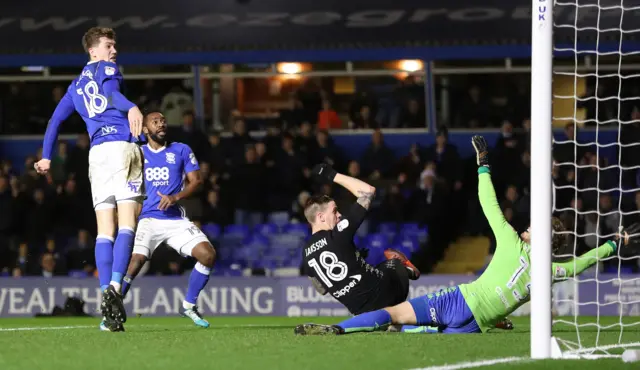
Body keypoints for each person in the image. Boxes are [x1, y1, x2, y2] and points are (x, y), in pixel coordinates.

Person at [294, 135, 640, 335]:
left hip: (458, 300)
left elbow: (487, 201)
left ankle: (340, 328)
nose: (526, 228)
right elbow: (580, 264)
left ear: (539, 238)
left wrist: (484, 164)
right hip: (479, 323)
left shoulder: (510, 242)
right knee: (427, 330)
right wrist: (613, 244)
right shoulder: (551, 271)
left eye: (533, 228)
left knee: (398, 315)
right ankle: (402, 291)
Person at [33, 27, 144, 332]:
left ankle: (107, 311)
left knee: (103, 231)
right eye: (109, 45)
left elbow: (55, 120)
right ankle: (114, 291)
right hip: (121, 148)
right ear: (93, 51)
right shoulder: (106, 68)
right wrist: (131, 106)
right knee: (127, 225)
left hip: (97, 156)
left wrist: (46, 156)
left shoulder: (74, 86)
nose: (114, 50)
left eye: (114, 45)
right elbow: (111, 94)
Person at [120, 112, 216, 328]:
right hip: (148, 218)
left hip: (175, 219)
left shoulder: (181, 149)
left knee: (208, 255)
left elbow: (196, 180)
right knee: (136, 261)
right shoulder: (138, 153)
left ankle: (188, 305)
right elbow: (126, 187)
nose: (161, 124)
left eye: (163, 121)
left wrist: (175, 197)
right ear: (145, 130)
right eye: (155, 122)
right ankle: (114, 308)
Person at [302, 163, 420, 317]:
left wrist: (350, 259)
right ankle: (404, 266)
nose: (339, 215)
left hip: (361, 314)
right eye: (335, 211)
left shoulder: (306, 254)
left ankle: (390, 321)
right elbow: (368, 191)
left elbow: (322, 289)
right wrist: (332, 174)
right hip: (387, 296)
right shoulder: (338, 234)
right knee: (391, 262)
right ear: (321, 217)